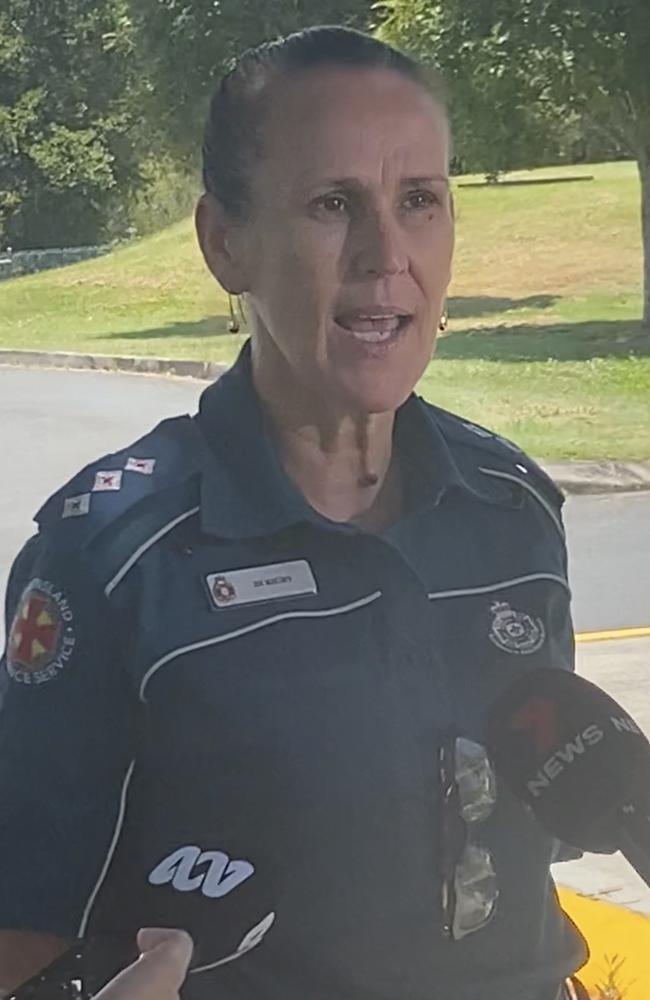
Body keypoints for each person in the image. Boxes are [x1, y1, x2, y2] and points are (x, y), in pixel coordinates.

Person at [0, 25, 588, 1000]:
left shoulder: (512, 511)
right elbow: (21, 914)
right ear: (223, 243)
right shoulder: (109, 559)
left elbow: (521, 847)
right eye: (330, 204)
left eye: (418, 202)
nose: (384, 256)